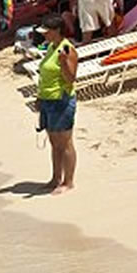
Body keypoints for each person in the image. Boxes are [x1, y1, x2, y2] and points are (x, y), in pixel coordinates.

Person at [35, 15, 79, 195]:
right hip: (47, 99)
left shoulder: (67, 49)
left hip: (61, 99)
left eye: (47, 32)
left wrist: (63, 64)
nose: (44, 35)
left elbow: (70, 78)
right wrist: (39, 98)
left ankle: (68, 181)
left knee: (65, 141)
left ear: (56, 31)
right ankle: (55, 177)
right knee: (54, 142)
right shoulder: (51, 47)